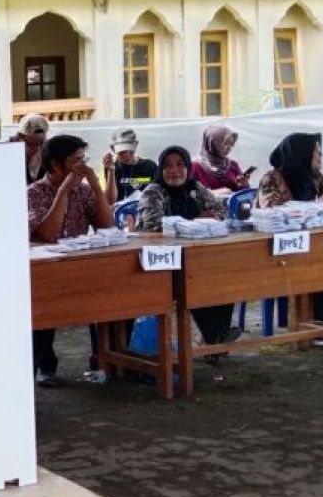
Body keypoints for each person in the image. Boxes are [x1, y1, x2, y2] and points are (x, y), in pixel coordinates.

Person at [27, 134, 115, 386]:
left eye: (83, 160)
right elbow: (48, 235)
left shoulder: (84, 191)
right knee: (43, 304)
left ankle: (107, 358)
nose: (82, 166)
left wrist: (96, 185)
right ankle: (45, 366)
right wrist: (63, 191)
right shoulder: (35, 192)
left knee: (118, 292)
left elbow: (107, 225)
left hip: (79, 267)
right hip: (45, 273)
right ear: (56, 164)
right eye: (76, 161)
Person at [136, 146, 240, 346]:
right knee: (194, 282)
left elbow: (222, 209)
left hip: (194, 257)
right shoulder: (153, 192)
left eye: (180, 165)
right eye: (167, 166)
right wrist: (195, 219)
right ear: (160, 169)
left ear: (188, 167)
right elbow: (153, 227)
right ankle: (216, 339)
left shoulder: (194, 188)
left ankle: (216, 339)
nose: (174, 171)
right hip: (161, 261)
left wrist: (215, 216)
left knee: (224, 277)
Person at [257, 132, 323, 325]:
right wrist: (319, 202)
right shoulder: (271, 178)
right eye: (317, 154)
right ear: (301, 154)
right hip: (282, 251)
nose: (321, 158)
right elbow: (273, 211)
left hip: (314, 247)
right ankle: (315, 326)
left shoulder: (316, 178)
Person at [193, 123, 254, 193]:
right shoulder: (195, 167)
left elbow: (244, 194)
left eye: (231, 144)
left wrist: (244, 184)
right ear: (212, 143)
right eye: (225, 143)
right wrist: (214, 193)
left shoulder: (233, 165)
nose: (229, 148)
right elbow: (190, 193)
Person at [103, 127, 157, 204]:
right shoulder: (112, 168)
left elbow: (158, 195)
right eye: (121, 151)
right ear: (113, 148)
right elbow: (110, 201)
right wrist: (111, 172)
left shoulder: (150, 166)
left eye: (130, 150)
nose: (126, 154)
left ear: (136, 145)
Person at [9, 113, 50, 184]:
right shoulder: (11, 150)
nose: (36, 148)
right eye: (31, 144)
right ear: (20, 137)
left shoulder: (49, 151)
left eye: (40, 143)